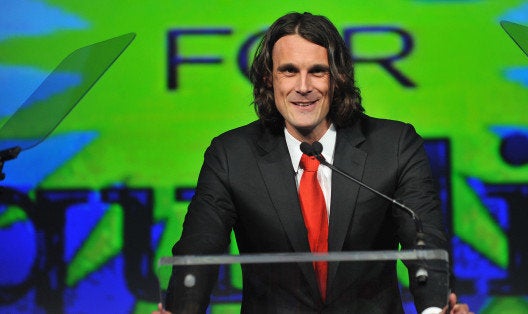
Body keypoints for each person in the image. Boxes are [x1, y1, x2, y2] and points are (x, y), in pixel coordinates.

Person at [159, 12, 471, 314]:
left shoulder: (394, 145)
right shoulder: (230, 155)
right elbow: (198, 254)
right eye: (289, 71)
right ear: (269, 79)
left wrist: (434, 311)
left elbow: (425, 244)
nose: (303, 86)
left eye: (317, 71)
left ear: (339, 77)